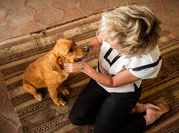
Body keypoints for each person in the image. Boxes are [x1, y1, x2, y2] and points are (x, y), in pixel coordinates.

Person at [64, 4, 169, 133]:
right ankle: (131, 109)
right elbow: (98, 40)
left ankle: (148, 118)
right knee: (77, 118)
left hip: (123, 91)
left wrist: (84, 68)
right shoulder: (113, 22)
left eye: (111, 41)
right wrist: (82, 54)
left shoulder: (148, 60)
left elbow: (112, 82)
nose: (105, 38)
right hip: (100, 77)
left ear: (129, 49)